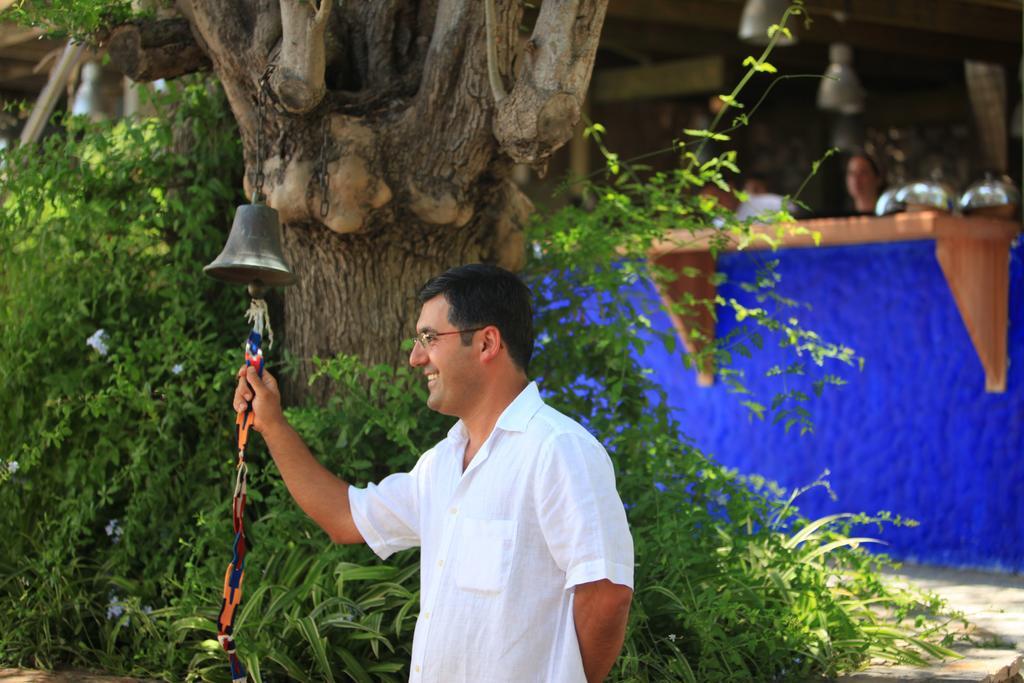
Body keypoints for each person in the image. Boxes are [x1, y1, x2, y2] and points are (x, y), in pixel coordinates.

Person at [233, 264, 635, 682]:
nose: (415, 357)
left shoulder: (556, 449)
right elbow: (344, 518)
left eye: (428, 337)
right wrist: (273, 426)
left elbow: (606, 594)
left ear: (487, 343)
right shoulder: (442, 463)